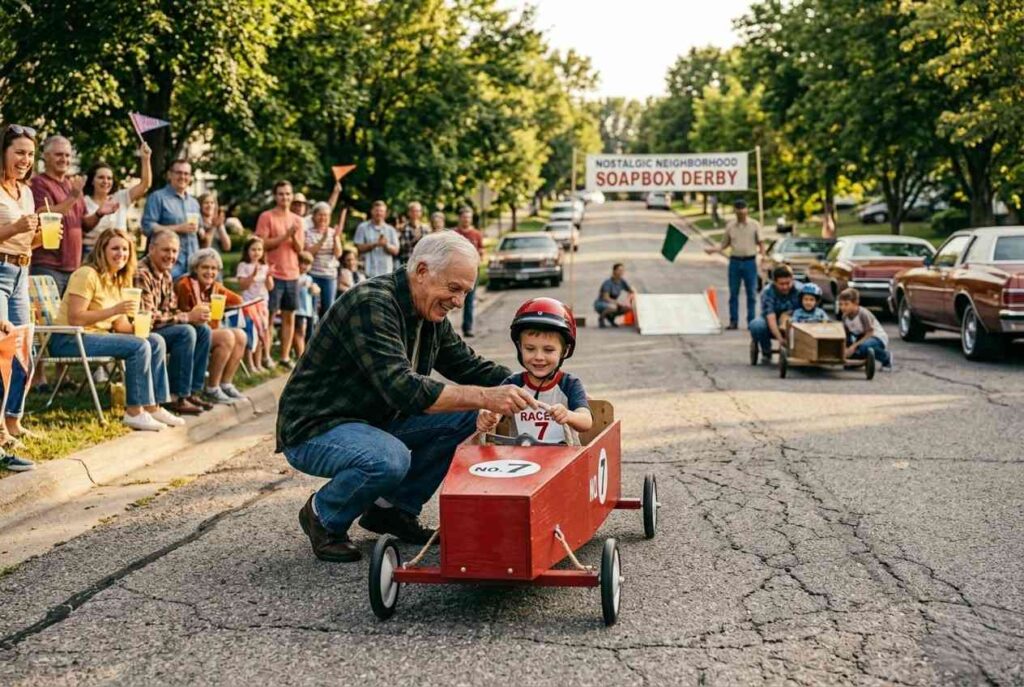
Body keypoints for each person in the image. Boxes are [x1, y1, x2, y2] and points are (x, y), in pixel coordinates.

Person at [278, 232, 538, 563]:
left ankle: (391, 510)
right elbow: (403, 389)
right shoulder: (372, 304)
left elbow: (468, 364)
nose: (458, 301)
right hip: (315, 428)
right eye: (453, 288)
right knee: (389, 459)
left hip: (374, 420)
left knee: (466, 418)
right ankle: (323, 516)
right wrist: (487, 396)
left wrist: (534, 385)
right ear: (421, 271)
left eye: (465, 292)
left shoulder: (429, 313)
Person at [50, 228, 184, 431]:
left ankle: (152, 407)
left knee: (156, 340)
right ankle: (134, 412)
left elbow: (120, 325)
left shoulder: (118, 280)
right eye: (115, 248)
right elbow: (75, 317)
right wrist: (114, 309)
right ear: (102, 250)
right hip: (69, 339)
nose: (121, 254)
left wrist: (140, 326)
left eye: (125, 249)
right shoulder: (87, 274)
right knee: (139, 347)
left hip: (96, 337)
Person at [476, 298, 592, 444]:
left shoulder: (570, 384)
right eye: (530, 349)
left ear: (564, 351)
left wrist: (568, 415)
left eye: (548, 350)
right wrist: (489, 416)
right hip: (521, 459)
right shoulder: (513, 384)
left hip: (564, 458)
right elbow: (496, 412)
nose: (538, 357)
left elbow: (586, 421)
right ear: (520, 348)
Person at [0, 124, 46, 465]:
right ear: (3, 151)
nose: (25, 160)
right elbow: (11, 232)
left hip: (21, 272)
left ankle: (12, 421)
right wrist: (15, 227)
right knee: (2, 352)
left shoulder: (26, 193)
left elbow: (26, 241)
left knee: (22, 353)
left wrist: (41, 235)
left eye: (30, 154)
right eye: (19, 152)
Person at [134, 229, 213, 415]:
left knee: (203, 330)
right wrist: (186, 317)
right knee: (186, 331)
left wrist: (193, 314)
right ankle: (176, 396)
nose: (171, 256)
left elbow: (170, 310)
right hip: (141, 331)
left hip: (160, 328)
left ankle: (192, 392)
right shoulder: (141, 273)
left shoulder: (166, 274)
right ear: (152, 248)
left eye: (174, 251)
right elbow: (148, 318)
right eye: (166, 250)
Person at [30, 136, 105, 294]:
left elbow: (84, 224)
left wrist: (99, 213)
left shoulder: (72, 185)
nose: (64, 159)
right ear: (46, 156)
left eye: (67, 155)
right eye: (59, 154)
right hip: (47, 266)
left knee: (66, 318)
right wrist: (73, 196)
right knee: (48, 318)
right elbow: (45, 215)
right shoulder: (39, 183)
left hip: (74, 266)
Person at [176, 249, 249, 400]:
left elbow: (238, 300)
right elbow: (182, 311)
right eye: (205, 267)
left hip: (209, 330)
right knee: (227, 336)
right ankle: (212, 387)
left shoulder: (214, 287)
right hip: (191, 331)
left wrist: (220, 303)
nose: (210, 272)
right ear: (195, 268)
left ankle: (226, 384)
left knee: (241, 335)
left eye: (214, 268)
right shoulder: (185, 284)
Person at [255, 180, 304, 369]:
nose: (285, 197)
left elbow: (299, 249)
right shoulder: (266, 216)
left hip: (292, 273)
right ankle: (266, 356)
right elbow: (263, 244)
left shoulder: (297, 220)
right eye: (281, 194)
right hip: (272, 273)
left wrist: (292, 236)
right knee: (269, 317)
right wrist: (285, 235)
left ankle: (284, 356)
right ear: (275, 196)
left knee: (289, 316)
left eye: (288, 194)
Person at [82, 142, 153, 255]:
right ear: (92, 181)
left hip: (120, 253)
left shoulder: (120, 197)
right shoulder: (84, 201)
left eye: (109, 178)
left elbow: (145, 184)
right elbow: (83, 227)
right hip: (93, 253)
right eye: (101, 177)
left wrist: (145, 159)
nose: (106, 182)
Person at [704, 198, 764, 330]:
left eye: (743, 209)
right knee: (733, 293)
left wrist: (763, 258)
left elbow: (761, 243)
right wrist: (713, 250)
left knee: (752, 294)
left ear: (746, 210)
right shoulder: (730, 226)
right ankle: (733, 321)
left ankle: (751, 321)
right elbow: (724, 244)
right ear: (735, 211)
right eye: (738, 210)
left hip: (750, 262)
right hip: (735, 262)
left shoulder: (754, 225)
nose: (741, 212)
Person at [141, 158, 202, 280]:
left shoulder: (194, 202)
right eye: (178, 173)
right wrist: (178, 228)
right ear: (169, 175)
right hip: (169, 267)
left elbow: (199, 232)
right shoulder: (158, 197)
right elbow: (147, 227)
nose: (182, 177)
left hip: (192, 266)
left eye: (186, 174)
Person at [749, 265, 804, 361]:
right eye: (781, 284)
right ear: (774, 282)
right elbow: (771, 317)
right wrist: (780, 339)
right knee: (756, 325)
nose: (785, 287)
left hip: (794, 321)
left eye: (788, 283)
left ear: (792, 279)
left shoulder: (800, 290)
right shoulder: (768, 292)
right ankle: (766, 350)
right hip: (771, 322)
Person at [237, 236, 273, 372]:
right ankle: (250, 363)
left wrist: (269, 276)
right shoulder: (243, 266)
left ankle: (258, 363)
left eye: (259, 249)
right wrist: (252, 275)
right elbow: (242, 286)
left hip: (263, 304)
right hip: (249, 305)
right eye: (253, 249)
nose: (256, 252)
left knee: (262, 333)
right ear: (247, 251)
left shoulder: (265, 266)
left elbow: (270, 287)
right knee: (251, 333)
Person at [838, 288, 893, 371]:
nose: (843, 307)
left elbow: (870, 332)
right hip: (861, 337)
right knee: (851, 356)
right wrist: (846, 348)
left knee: (865, 347)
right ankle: (861, 361)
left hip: (876, 337)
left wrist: (854, 346)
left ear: (856, 303)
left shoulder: (863, 314)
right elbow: (847, 335)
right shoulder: (845, 317)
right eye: (841, 304)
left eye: (846, 304)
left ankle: (886, 357)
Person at [304, 201, 342, 315]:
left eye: (326, 215)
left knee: (328, 309)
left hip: (329, 276)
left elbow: (338, 254)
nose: (323, 218)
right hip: (313, 274)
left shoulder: (333, 232)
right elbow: (309, 253)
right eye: (320, 214)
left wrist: (335, 238)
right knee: (312, 309)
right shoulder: (308, 232)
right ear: (314, 216)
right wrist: (323, 239)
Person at [453, 206, 483, 337]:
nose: (466, 220)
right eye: (464, 217)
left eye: (469, 217)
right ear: (460, 218)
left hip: (472, 272)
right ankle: (445, 328)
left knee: (469, 301)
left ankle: (468, 327)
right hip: (456, 271)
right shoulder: (454, 234)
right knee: (451, 299)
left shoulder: (476, 234)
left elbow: (481, 250)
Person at [353, 200, 399, 279]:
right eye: (376, 211)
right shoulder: (362, 227)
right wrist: (375, 244)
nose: (379, 213)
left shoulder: (391, 230)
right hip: (366, 272)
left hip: (386, 273)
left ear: (385, 213)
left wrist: (385, 245)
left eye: (381, 211)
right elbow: (359, 248)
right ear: (371, 211)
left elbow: (396, 251)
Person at [594, 263, 635, 328]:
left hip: (613, 303)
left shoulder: (622, 281)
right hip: (601, 303)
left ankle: (611, 318)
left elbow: (630, 290)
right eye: (619, 270)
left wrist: (632, 293)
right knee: (613, 307)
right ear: (614, 271)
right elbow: (606, 297)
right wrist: (617, 303)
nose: (621, 272)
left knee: (628, 308)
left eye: (622, 270)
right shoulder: (608, 283)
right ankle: (601, 318)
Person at [294, 251, 320, 355]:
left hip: (307, 310)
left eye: (308, 264)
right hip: (298, 309)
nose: (305, 266)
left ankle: (304, 353)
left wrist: (315, 289)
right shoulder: (295, 277)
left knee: (306, 333)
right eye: (302, 263)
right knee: (300, 331)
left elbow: (314, 291)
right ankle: (301, 355)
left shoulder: (309, 278)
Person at [397, 201, 426, 267]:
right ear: (409, 213)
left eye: (418, 211)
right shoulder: (403, 228)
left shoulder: (426, 229)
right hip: (406, 264)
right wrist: (415, 238)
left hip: (422, 265)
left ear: (421, 213)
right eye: (413, 211)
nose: (415, 213)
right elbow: (402, 247)